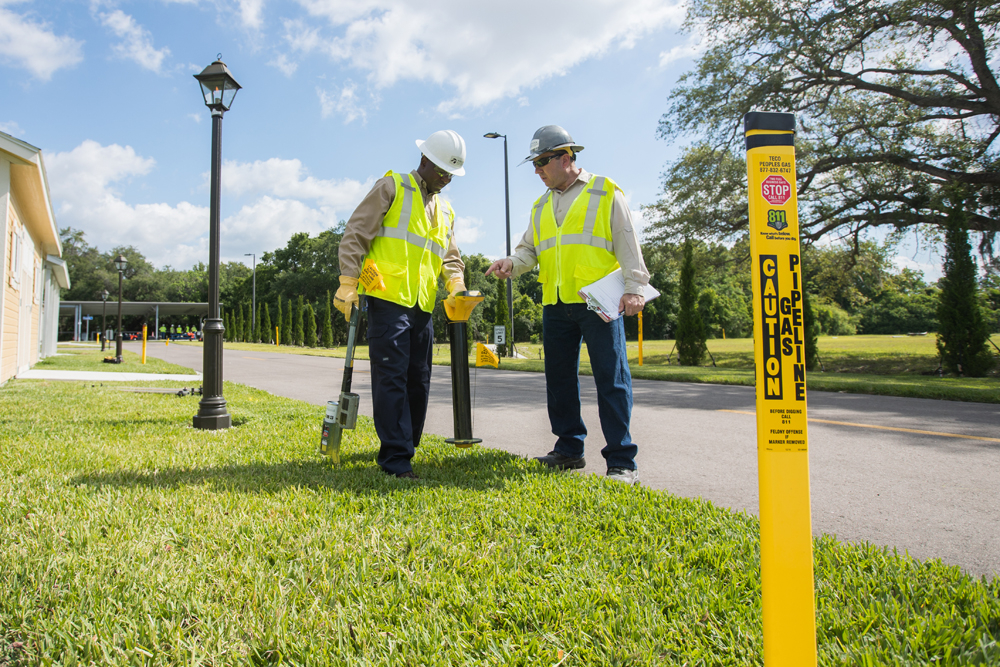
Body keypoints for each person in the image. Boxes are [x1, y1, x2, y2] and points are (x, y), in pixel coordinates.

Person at [486, 125, 649, 485]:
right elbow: (529, 250)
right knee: (559, 381)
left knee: (612, 378)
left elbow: (627, 240)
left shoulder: (605, 192)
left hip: (599, 303)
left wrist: (636, 286)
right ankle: (569, 449)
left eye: (543, 161)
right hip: (556, 301)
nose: (537, 169)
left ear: (566, 157)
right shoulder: (541, 204)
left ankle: (622, 461)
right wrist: (512, 263)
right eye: (534, 163)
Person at [334, 130, 468, 479]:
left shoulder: (446, 209)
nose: (446, 179)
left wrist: (456, 286)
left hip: (423, 305)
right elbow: (356, 233)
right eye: (442, 172)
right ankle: (396, 458)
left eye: (451, 175)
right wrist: (348, 282)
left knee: (419, 380)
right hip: (387, 300)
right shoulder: (392, 187)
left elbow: (450, 257)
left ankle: (407, 443)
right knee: (391, 377)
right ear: (425, 161)